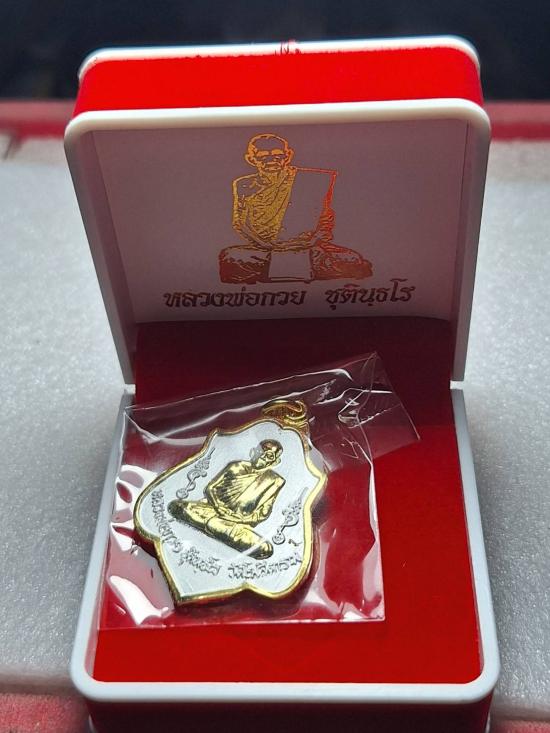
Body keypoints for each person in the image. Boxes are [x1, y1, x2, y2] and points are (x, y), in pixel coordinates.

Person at [219, 134, 373, 284]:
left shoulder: (312, 180)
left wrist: (311, 241)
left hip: (308, 246)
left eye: (277, 156)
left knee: (350, 259)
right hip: (265, 249)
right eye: (263, 157)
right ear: (251, 159)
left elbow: (326, 219)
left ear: (288, 156)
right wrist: (265, 245)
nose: (271, 160)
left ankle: (278, 268)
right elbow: (240, 223)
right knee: (230, 257)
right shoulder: (244, 184)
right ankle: (300, 268)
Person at [168, 440, 285, 560]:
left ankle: (213, 525)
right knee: (177, 507)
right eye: (260, 451)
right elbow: (210, 488)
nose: (262, 457)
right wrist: (218, 507)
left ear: (274, 462)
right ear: (252, 452)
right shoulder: (236, 466)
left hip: (237, 523)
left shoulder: (274, 481)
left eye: (269, 456)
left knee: (264, 549)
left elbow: (263, 514)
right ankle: (217, 528)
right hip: (211, 509)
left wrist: (240, 519)